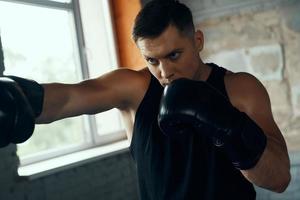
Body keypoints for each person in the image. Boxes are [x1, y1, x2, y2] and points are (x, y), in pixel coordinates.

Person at [0, 0, 291, 199]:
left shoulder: (241, 89)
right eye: (152, 60)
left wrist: (227, 126)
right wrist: (19, 97)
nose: (164, 72)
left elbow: (279, 179)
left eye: (174, 55)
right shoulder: (134, 89)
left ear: (197, 41)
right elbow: (67, 98)